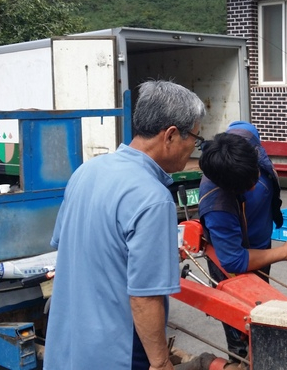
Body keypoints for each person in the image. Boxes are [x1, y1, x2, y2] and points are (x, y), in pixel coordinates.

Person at [44, 80, 206, 370]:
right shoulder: (152, 198)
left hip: (69, 347)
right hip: (116, 353)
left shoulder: (86, 171)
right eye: (195, 137)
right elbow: (145, 295)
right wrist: (160, 362)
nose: (194, 147)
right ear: (170, 135)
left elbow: (66, 250)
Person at [198, 127, 287, 362]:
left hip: (261, 248)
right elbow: (234, 260)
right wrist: (284, 251)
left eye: (255, 177)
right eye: (246, 185)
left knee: (267, 315)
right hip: (233, 264)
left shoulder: (244, 137)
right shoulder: (218, 205)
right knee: (244, 330)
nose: (253, 186)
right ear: (228, 186)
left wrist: (275, 252)